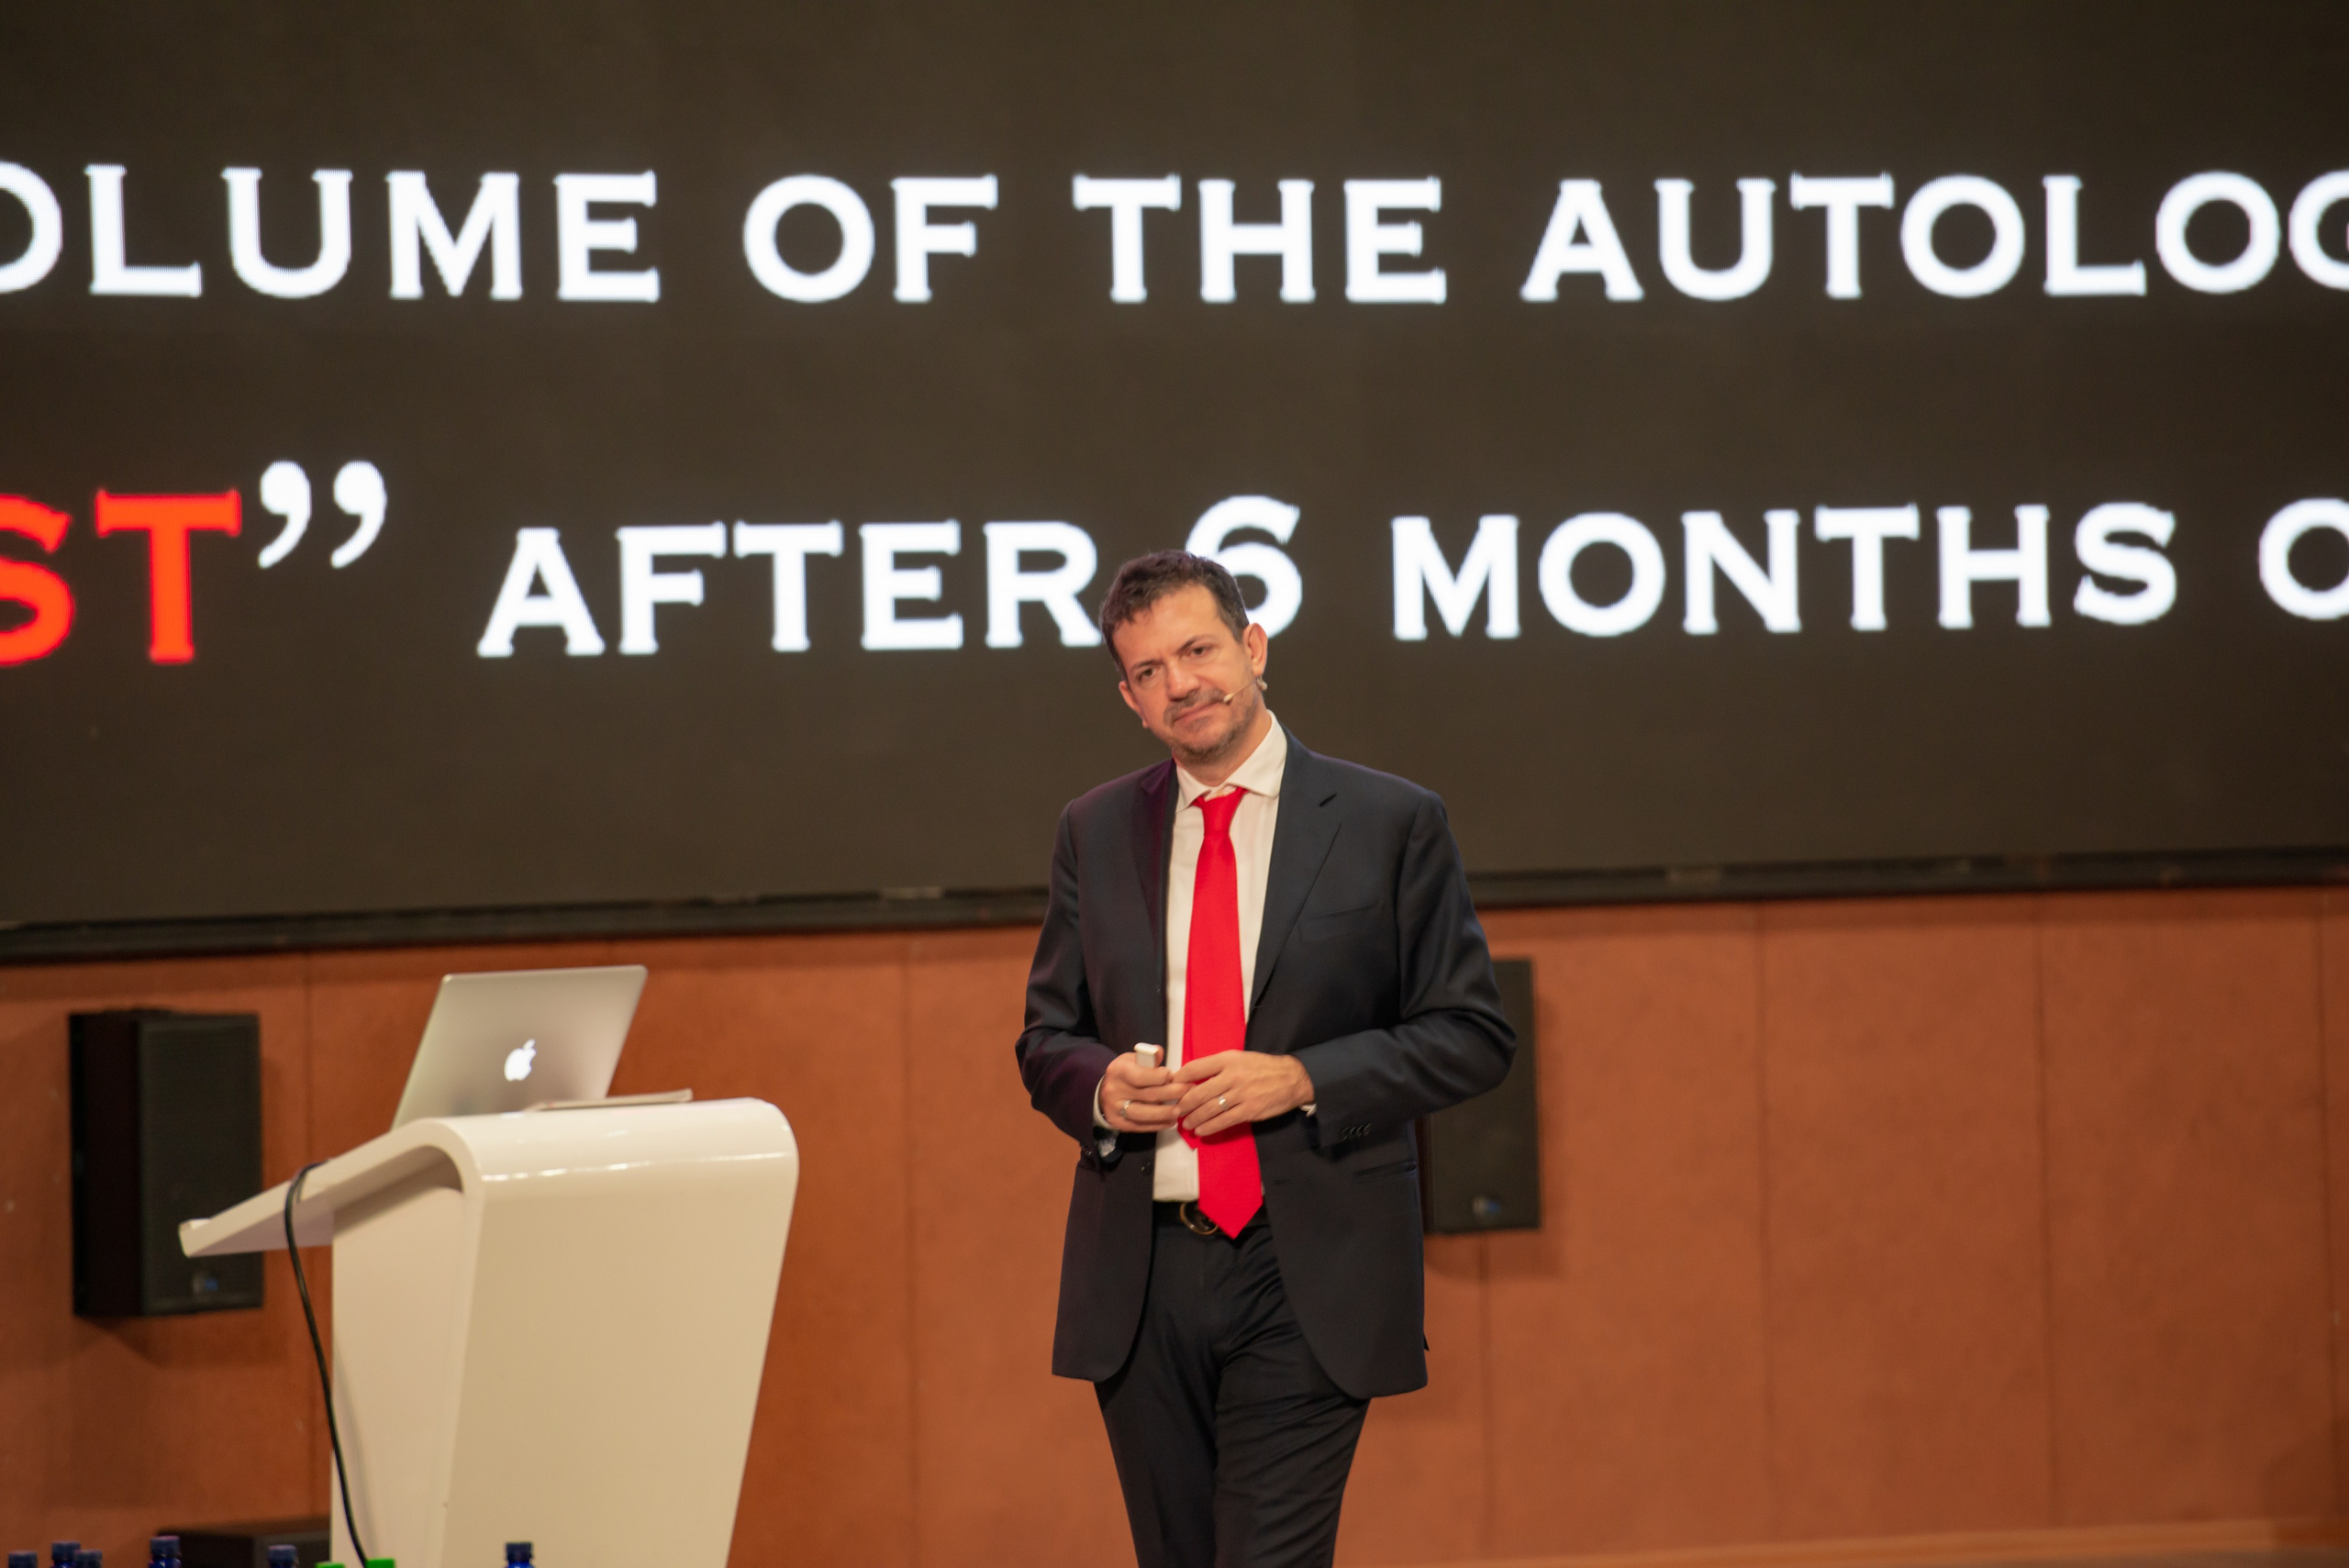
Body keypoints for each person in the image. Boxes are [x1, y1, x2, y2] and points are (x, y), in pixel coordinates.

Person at [1015, 550, 1516, 1568]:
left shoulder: (1389, 821)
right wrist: (1101, 1087)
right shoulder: (1093, 830)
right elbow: (1046, 1039)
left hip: (1308, 1263)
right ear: (1129, 699)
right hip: (1143, 1273)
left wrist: (1303, 1077)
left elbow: (1471, 1032)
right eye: (1148, 670)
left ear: (1253, 646)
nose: (1180, 683)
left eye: (1198, 650)